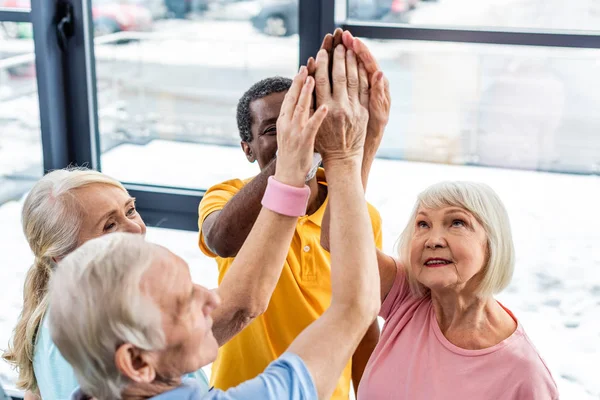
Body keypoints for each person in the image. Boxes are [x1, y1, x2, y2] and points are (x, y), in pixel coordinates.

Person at [48, 44, 380, 400]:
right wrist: (351, 149)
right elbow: (346, 306)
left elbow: (245, 302)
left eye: (130, 210)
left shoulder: (97, 378)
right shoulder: (228, 195)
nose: (210, 297)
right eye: (183, 300)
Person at [198, 30, 390, 398]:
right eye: (274, 129)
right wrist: (293, 153)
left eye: (308, 116)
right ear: (248, 148)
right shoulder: (227, 195)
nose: (299, 129)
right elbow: (221, 239)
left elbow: (362, 319)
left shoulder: (362, 213)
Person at [353, 181, 559, 399]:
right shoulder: (405, 294)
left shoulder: (524, 375)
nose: (433, 240)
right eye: (423, 224)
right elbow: (336, 236)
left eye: (457, 223)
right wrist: (346, 158)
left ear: (491, 242)